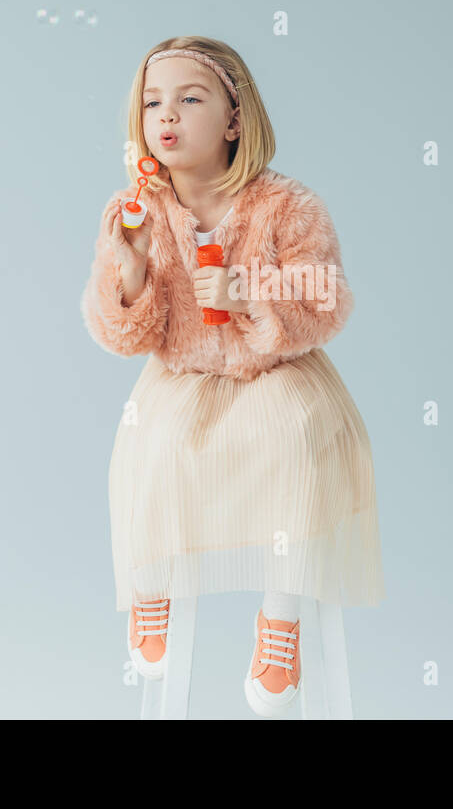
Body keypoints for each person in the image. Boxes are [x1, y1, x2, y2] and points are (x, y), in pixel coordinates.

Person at [81, 36, 384, 717]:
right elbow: (121, 330)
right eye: (154, 101)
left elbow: (326, 296)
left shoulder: (287, 204)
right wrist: (129, 269)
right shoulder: (138, 211)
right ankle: (150, 587)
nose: (169, 114)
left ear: (234, 119)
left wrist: (250, 290)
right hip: (184, 376)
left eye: (191, 98)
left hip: (272, 372)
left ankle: (281, 620)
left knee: (296, 442)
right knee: (150, 448)